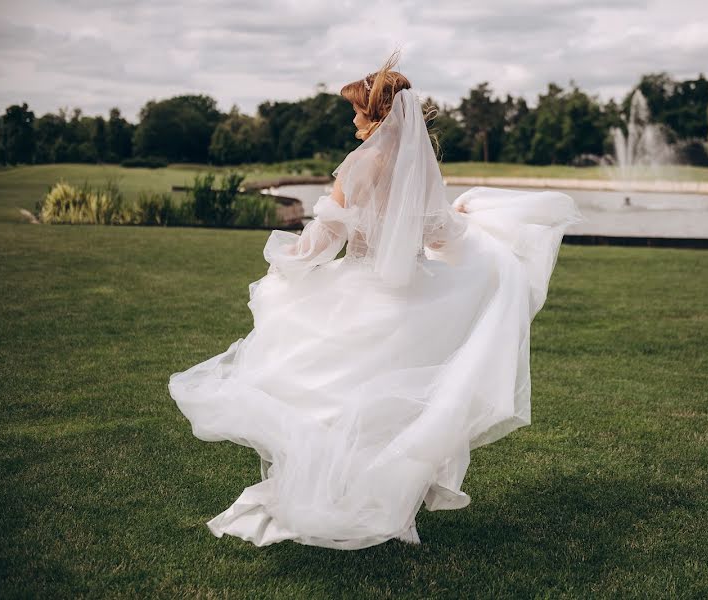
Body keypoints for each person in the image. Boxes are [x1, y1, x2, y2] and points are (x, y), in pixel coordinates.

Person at [168, 50, 586, 550]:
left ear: (377, 115)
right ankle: (379, 504)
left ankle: (332, 501)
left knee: (330, 402)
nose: (352, 117)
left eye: (356, 109)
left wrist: (286, 262)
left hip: (360, 294)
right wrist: (469, 222)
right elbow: (445, 239)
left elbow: (325, 237)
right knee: (384, 414)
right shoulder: (420, 170)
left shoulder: (360, 166)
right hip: (411, 302)